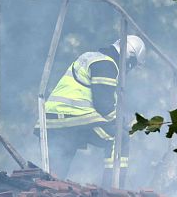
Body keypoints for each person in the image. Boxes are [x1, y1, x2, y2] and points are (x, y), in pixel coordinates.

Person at [39, 35, 146, 181]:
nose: (130, 69)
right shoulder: (107, 65)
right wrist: (125, 122)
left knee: (56, 173)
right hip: (73, 118)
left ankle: (48, 188)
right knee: (120, 136)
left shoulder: (93, 57)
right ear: (129, 57)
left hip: (53, 120)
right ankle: (112, 189)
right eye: (132, 64)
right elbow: (104, 106)